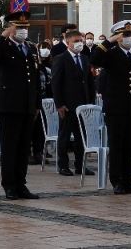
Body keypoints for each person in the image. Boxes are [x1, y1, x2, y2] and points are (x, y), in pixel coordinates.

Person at [0, 0, 41, 200]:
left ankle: (21, 183)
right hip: (9, 106)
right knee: (10, 148)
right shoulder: (4, 47)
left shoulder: (30, 49)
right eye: (19, 27)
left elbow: (35, 79)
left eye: (25, 27)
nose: (23, 30)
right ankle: (9, 184)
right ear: (10, 27)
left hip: (27, 106)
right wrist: (3, 37)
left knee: (23, 148)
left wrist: (36, 104)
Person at [90, 20, 131, 194]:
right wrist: (110, 41)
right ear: (118, 36)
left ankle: (129, 180)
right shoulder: (111, 54)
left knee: (130, 146)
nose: (129, 38)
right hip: (116, 109)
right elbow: (94, 59)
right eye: (125, 35)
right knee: (117, 146)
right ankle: (117, 181)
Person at [52, 30, 95, 176]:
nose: (79, 44)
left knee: (81, 136)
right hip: (67, 105)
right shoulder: (61, 58)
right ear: (68, 42)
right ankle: (63, 165)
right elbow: (56, 83)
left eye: (81, 41)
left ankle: (80, 165)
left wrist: (91, 102)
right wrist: (59, 104)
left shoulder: (84, 58)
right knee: (65, 135)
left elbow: (89, 81)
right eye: (76, 41)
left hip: (83, 105)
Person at [31, 41, 54, 165]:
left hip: (42, 101)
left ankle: (38, 152)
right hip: (31, 101)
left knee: (40, 129)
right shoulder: (29, 68)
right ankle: (30, 153)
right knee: (31, 129)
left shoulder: (42, 68)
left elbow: (45, 84)